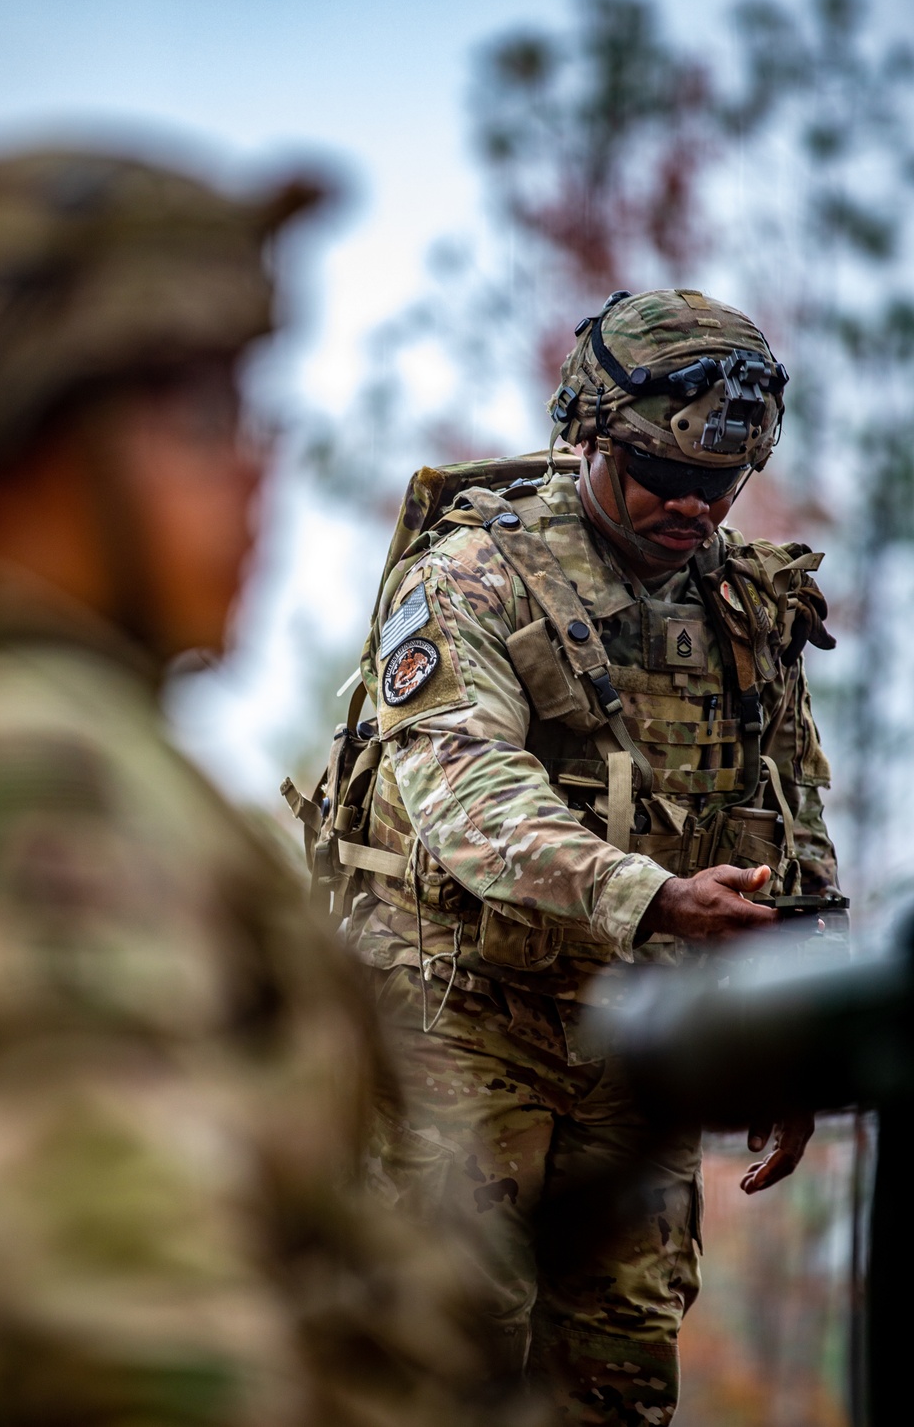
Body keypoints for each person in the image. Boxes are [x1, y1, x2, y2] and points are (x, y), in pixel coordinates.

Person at [0, 147, 521, 1427]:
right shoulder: (30, 777)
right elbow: (123, 1352)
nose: (257, 474)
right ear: (1, 428)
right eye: (200, 414)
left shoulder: (54, 742)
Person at [333, 288, 845, 1423]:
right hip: (460, 1035)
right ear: (589, 436)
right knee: (437, 1373)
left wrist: (804, 1037)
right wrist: (650, 897)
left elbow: (785, 812)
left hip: (632, 1054)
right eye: (660, 473)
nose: (687, 504)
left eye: (717, 485)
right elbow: (463, 790)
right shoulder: (472, 576)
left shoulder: (743, 609)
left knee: (615, 1390)